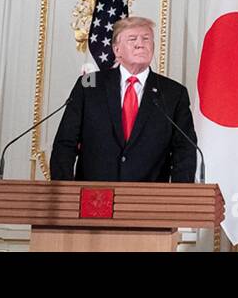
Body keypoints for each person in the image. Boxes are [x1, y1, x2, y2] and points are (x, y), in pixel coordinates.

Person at [50, 15, 198, 182]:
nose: (140, 44)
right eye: (132, 39)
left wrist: (179, 200)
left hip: (150, 200)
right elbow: (65, 143)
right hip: (93, 198)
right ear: (117, 50)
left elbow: (185, 151)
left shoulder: (173, 93)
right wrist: (65, 194)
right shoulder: (89, 85)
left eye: (146, 39)